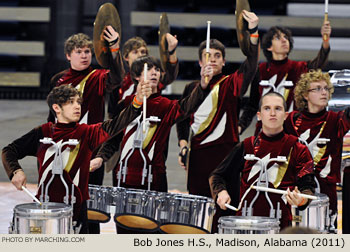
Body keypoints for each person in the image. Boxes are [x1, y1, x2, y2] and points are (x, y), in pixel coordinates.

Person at [2, 84, 151, 234]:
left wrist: (137, 102)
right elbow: (9, 151)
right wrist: (15, 171)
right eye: (71, 102)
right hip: (44, 208)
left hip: (76, 211)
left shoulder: (87, 133)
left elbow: (115, 124)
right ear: (57, 108)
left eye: (78, 102)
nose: (77, 106)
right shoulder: (43, 132)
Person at [94, 55, 210, 233]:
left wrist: (202, 85)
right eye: (149, 70)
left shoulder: (166, 106)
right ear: (137, 77)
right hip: (124, 178)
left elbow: (187, 106)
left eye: (157, 69)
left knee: (153, 234)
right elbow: (113, 139)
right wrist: (100, 158)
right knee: (125, 232)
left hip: (154, 179)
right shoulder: (125, 104)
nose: (154, 73)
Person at [47, 29, 124, 233]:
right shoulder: (58, 80)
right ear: (68, 55)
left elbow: (117, 78)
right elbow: (51, 118)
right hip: (62, 152)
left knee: (90, 211)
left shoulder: (98, 76)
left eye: (88, 52)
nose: (84, 56)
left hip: (90, 152)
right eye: (79, 52)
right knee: (62, 204)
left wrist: (115, 48)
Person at [209, 92, 316, 229]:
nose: (272, 113)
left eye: (278, 108)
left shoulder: (298, 148)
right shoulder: (246, 146)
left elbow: (307, 187)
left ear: (285, 115)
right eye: (267, 108)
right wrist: (221, 192)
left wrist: (302, 200)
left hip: (281, 226)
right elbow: (217, 175)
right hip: (245, 224)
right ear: (259, 116)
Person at [284, 69, 350, 232]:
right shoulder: (291, 120)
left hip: (326, 193)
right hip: (296, 190)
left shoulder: (336, 120)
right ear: (305, 95)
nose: (324, 92)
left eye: (326, 88)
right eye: (318, 88)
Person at [241, 20, 331, 135]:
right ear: (269, 47)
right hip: (264, 131)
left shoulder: (299, 68)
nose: (284, 40)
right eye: (278, 38)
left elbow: (319, 63)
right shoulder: (260, 70)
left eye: (286, 38)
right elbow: (253, 104)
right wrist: (240, 126)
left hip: (292, 131)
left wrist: (325, 40)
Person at [107, 34, 179, 119]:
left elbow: (170, 75)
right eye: (135, 52)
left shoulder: (153, 78)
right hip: (126, 128)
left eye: (143, 52)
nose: (140, 55)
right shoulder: (119, 81)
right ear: (126, 57)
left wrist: (172, 51)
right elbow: (112, 114)